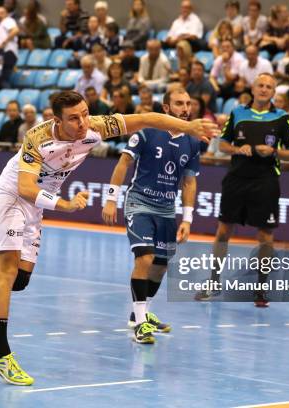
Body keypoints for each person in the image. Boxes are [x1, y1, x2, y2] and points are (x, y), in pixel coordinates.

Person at [0, 90, 218, 386]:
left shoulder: (97, 126)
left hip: (37, 204)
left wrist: (188, 127)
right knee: (8, 268)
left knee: (20, 280)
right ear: (57, 119)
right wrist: (65, 205)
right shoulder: (36, 138)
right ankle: (0, 354)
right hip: (12, 196)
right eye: (74, 118)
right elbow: (26, 188)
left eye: (85, 113)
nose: (82, 122)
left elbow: (144, 118)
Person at [101, 87, 200, 344]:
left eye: (188, 103)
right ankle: (141, 324)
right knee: (144, 258)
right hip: (139, 204)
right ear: (166, 108)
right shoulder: (146, 131)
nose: (185, 109)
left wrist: (187, 219)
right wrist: (111, 199)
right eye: (179, 103)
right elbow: (123, 163)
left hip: (167, 209)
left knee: (160, 266)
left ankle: (139, 314)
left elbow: (189, 183)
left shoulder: (193, 141)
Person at [194, 73, 289, 307]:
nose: (264, 89)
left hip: (266, 181)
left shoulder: (282, 118)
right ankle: (213, 283)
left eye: (269, 87)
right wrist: (238, 149)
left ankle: (261, 290)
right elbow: (222, 144)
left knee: (265, 236)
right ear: (253, 88)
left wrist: (273, 152)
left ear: (274, 92)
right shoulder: (237, 113)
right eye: (260, 85)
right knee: (223, 232)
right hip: (236, 179)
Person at [0, 6, 19, 88]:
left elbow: (15, 30)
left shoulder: (8, 21)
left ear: (6, 14)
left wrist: (5, 41)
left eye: (2, 13)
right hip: (3, 52)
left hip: (8, 52)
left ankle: (7, 96)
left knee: (3, 78)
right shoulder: (0, 24)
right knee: (1, 78)